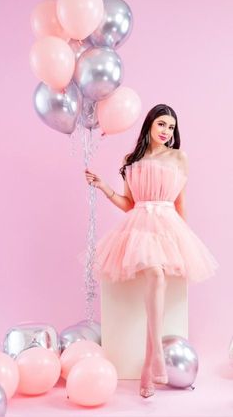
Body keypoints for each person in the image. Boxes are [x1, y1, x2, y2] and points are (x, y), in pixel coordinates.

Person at [84, 104, 219, 398]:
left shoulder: (178, 158)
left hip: (167, 224)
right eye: (161, 124)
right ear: (149, 125)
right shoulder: (131, 159)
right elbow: (130, 204)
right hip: (139, 224)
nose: (166, 131)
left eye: (171, 127)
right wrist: (104, 187)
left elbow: (181, 203)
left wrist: (184, 243)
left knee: (158, 276)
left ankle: (149, 364)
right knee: (155, 275)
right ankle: (155, 353)